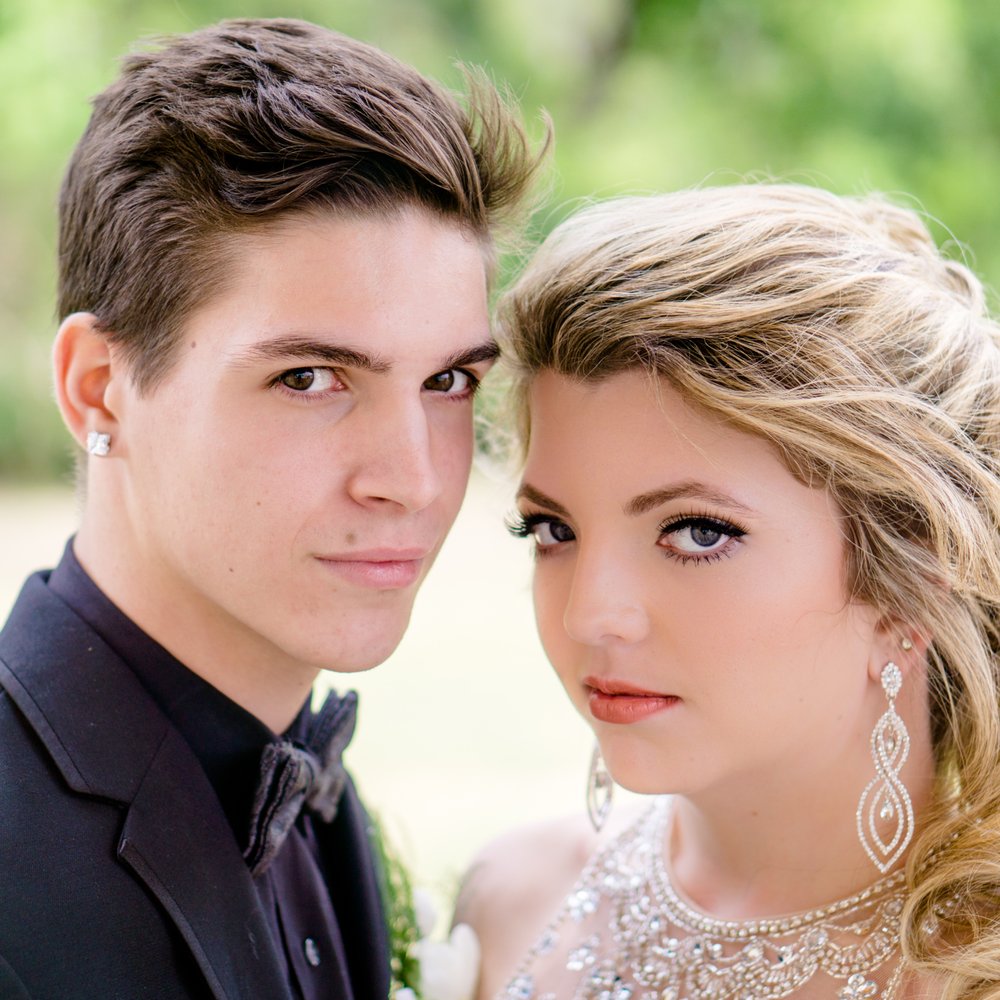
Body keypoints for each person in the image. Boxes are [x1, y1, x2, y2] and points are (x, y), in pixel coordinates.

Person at [0, 17, 541, 1000]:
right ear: (97, 389)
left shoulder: (321, 804)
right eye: (309, 378)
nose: (415, 479)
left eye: (448, 381)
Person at [459, 184, 1000, 999]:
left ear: (914, 576)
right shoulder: (512, 902)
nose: (590, 616)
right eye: (553, 530)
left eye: (697, 532)